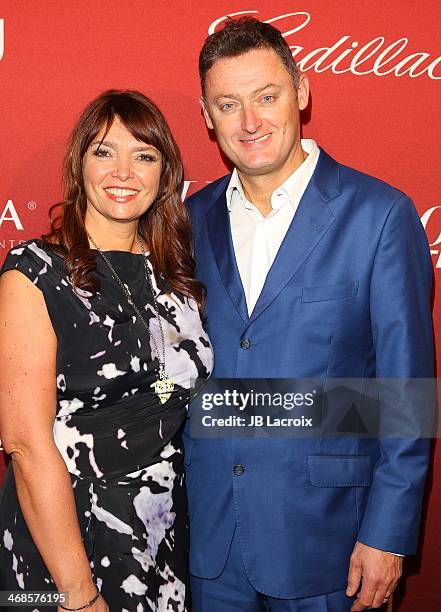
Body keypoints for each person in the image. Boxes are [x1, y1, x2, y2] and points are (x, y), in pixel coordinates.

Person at [183, 18, 434, 612]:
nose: (250, 122)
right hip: (211, 540)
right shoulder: (186, 221)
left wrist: (387, 534)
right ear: (206, 115)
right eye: (229, 104)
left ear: (301, 92)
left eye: (266, 97)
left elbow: (405, 392)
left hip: (331, 542)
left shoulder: (379, 216)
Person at [0, 90, 213, 612]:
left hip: (164, 530)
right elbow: (25, 446)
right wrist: (79, 595)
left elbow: (169, 387)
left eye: (143, 155)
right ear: (79, 163)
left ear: (166, 174)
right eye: (104, 151)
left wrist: (347, 412)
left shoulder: (177, 274)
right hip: (65, 547)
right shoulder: (36, 272)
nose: (124, 171)